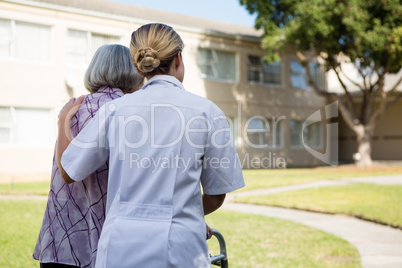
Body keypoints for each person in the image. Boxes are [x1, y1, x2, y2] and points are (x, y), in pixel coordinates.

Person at [56, 23, 245, 268]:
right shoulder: (208, 112)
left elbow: (68, 172)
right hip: (180, 251)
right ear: (179, 58)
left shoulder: (114, 111)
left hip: (118, 251)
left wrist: (63, 122)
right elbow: (216, 194)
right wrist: (181, 212)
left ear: (138, 66)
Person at [33, 44, 144, 268]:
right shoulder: (131, 112)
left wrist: (62, 121)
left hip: (61, 241)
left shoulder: (73, 108)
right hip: (110, 246)